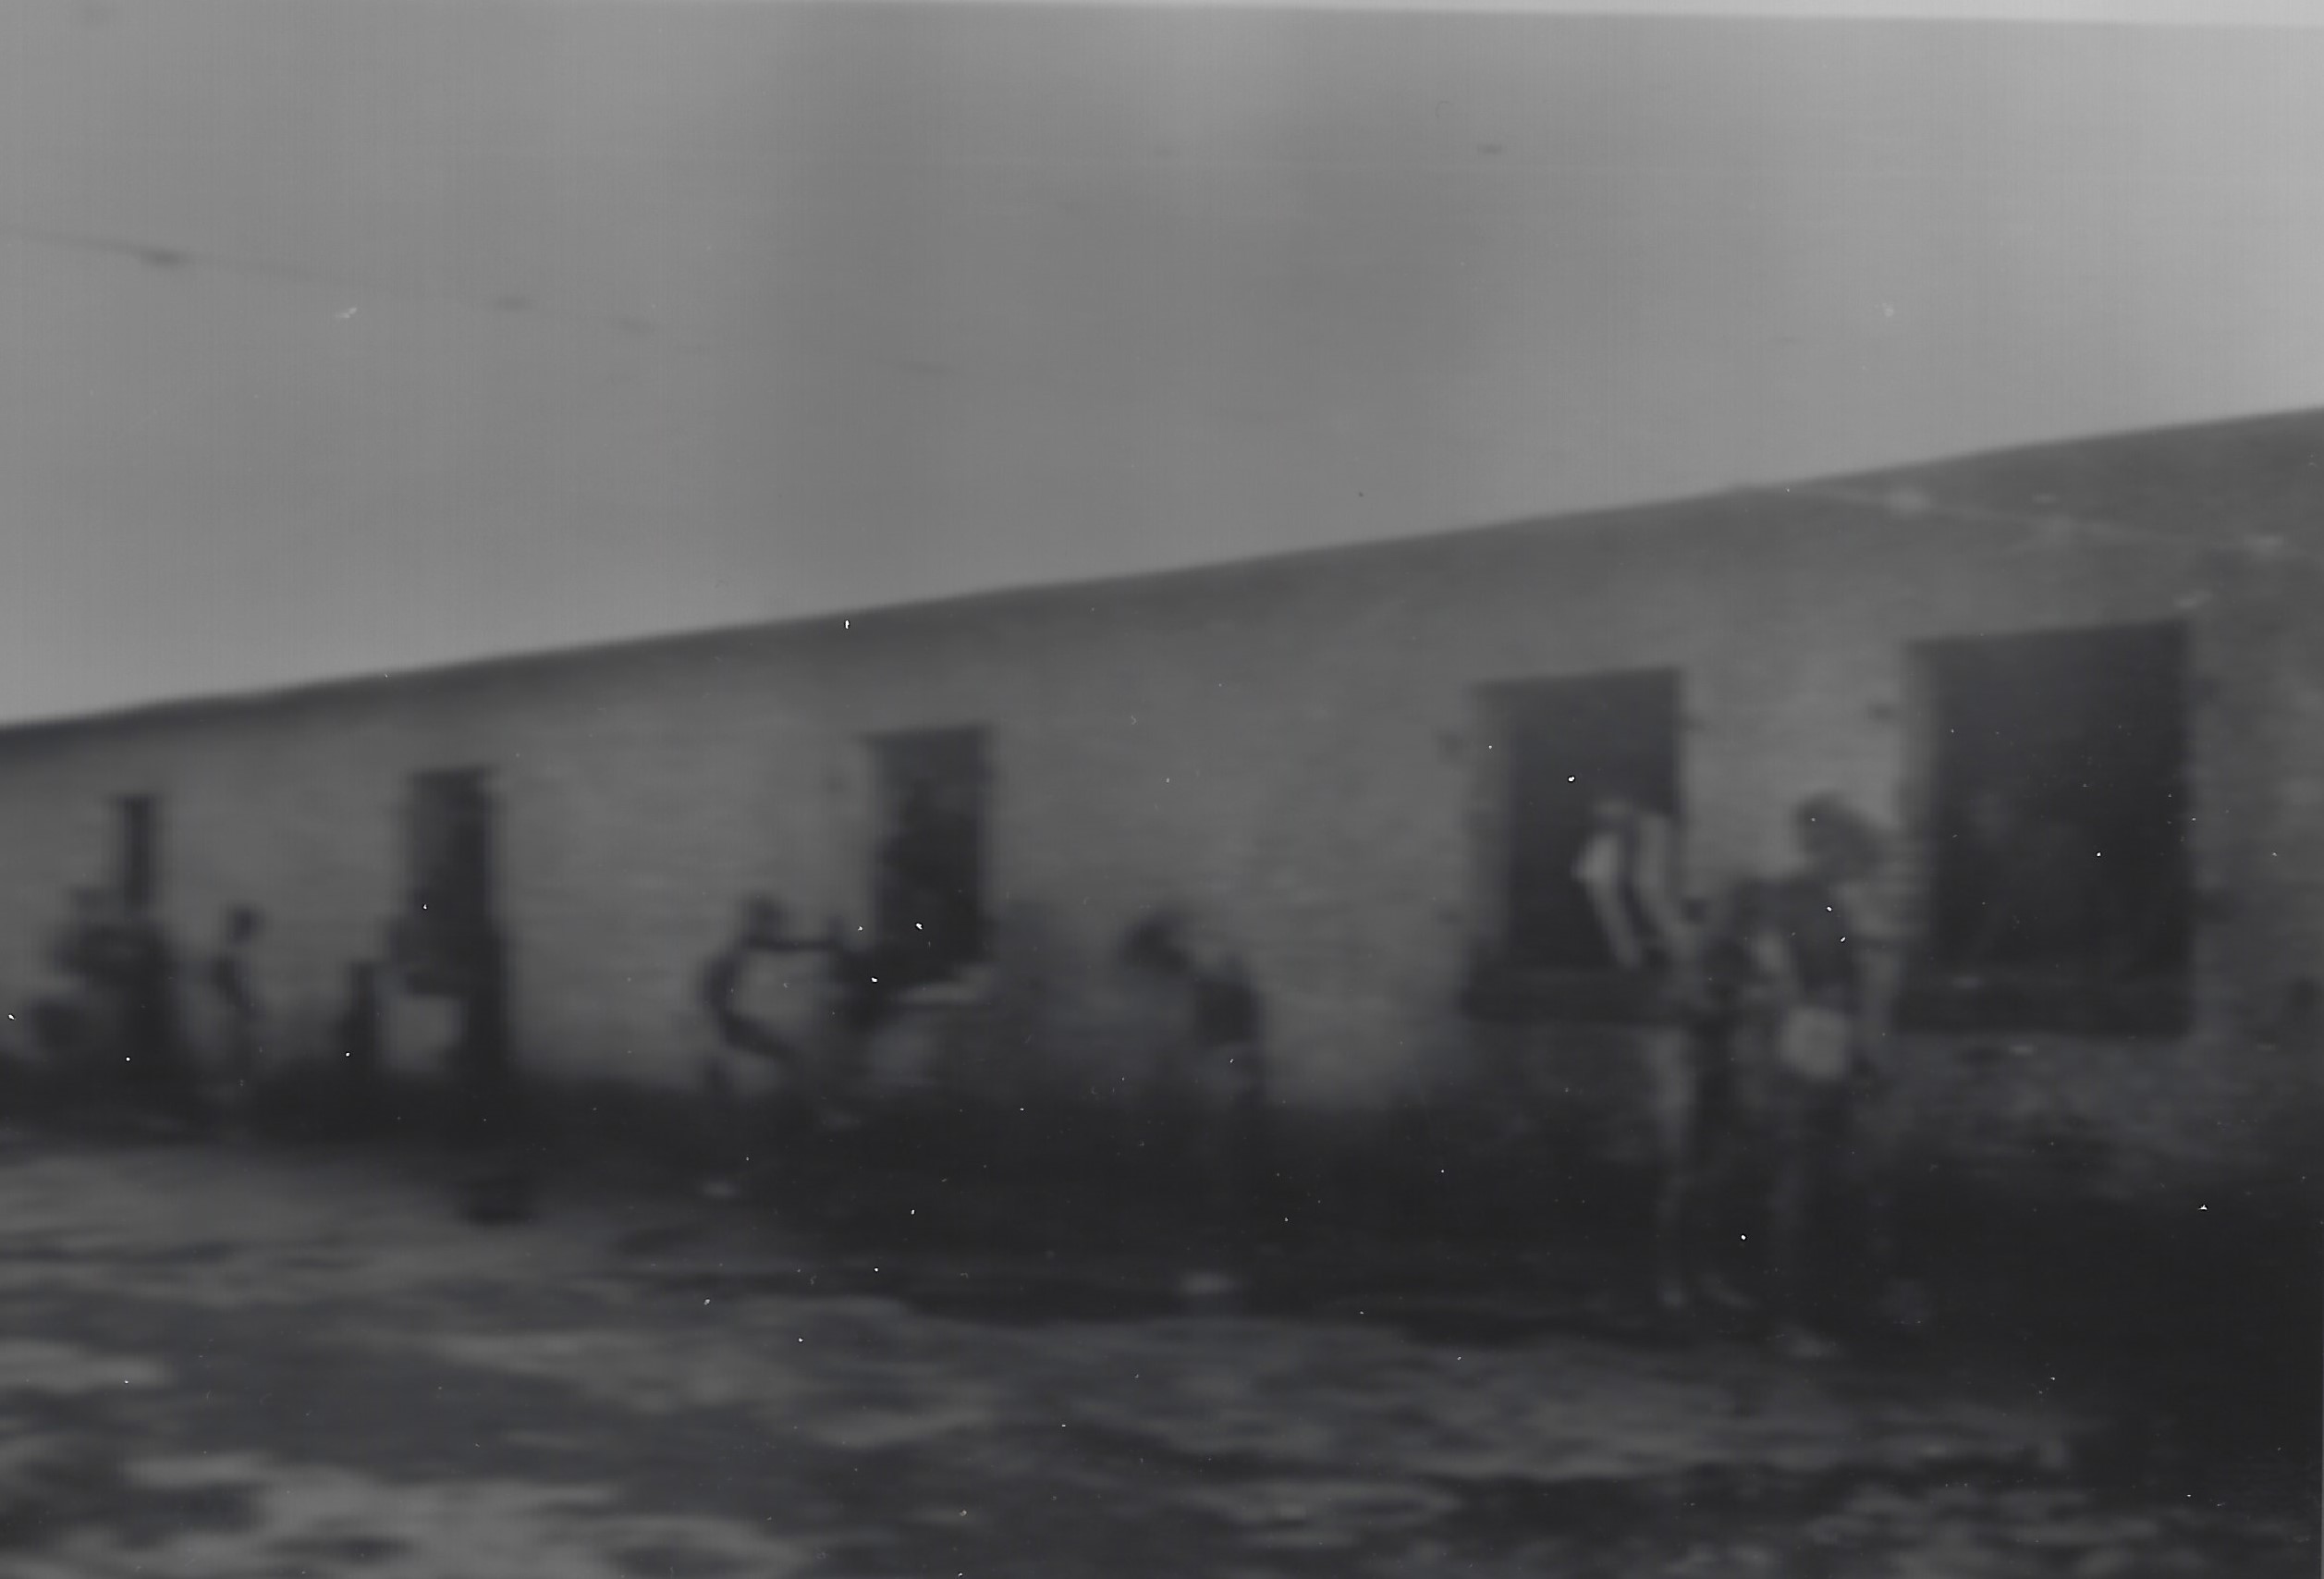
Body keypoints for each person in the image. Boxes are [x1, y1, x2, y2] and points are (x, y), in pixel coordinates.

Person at [1754, 792, 1890, 1358]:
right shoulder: (1796, 901)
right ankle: (1791, 1321)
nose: (1824, 854)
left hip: (1837, 1040)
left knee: (1848, 1184)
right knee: (1803, 1184)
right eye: (1816, 843)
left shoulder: (1849, 901)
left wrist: (1867, 1055)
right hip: (1812, 1039)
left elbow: (1871, 991)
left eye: (1832, 842)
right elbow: (1781, 980)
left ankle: (1842, 1312)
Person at [206, 907, 264, 1132]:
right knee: (236, 1069)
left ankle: (229, 1122)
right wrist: (250, 1007)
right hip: (232, 1015)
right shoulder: (230, 953)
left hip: (228, 1013)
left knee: (233, 1070)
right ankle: (231, 1123)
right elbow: (231, 985)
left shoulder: (227, 950)